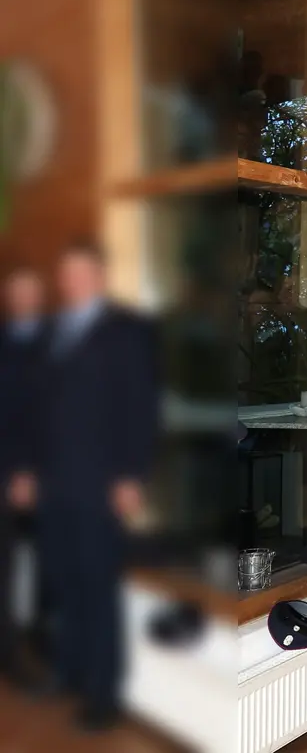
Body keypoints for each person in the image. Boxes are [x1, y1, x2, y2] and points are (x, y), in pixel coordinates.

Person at [7, 248, 156, 731]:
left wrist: (133, 475)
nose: (72, 281)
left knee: (97, 589)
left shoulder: (126, 332)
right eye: (65, 274)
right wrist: (26, 471)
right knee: (63, 587)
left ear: (99, 276)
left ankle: (103, 694)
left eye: (81, 273)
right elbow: (32, 409)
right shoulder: (50, 331)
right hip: (51, 483)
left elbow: (140, 407)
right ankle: (68, 673)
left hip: (100, 484)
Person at [0, 267, 46, 679]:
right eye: (17, 292)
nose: (24, 299)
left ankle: (44, 647)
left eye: (31, 291)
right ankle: (12, 653)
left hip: (59, 477)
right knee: (10, 567)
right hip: (11, 477)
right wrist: (19, 472)